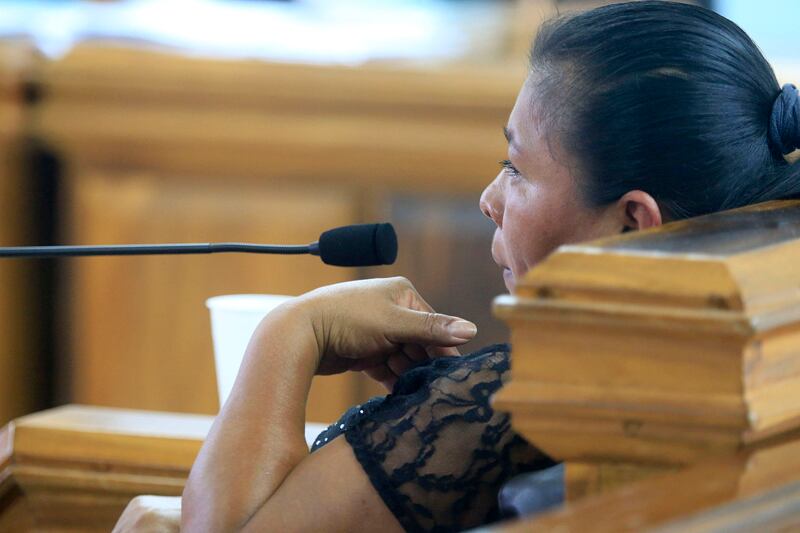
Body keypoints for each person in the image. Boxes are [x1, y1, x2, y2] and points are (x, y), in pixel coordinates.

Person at [113, 1, 800, 531]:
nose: (489, 198)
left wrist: (295, 328)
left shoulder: (525, 400)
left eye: (516, 167)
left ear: (631, 225)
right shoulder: (762, 349)